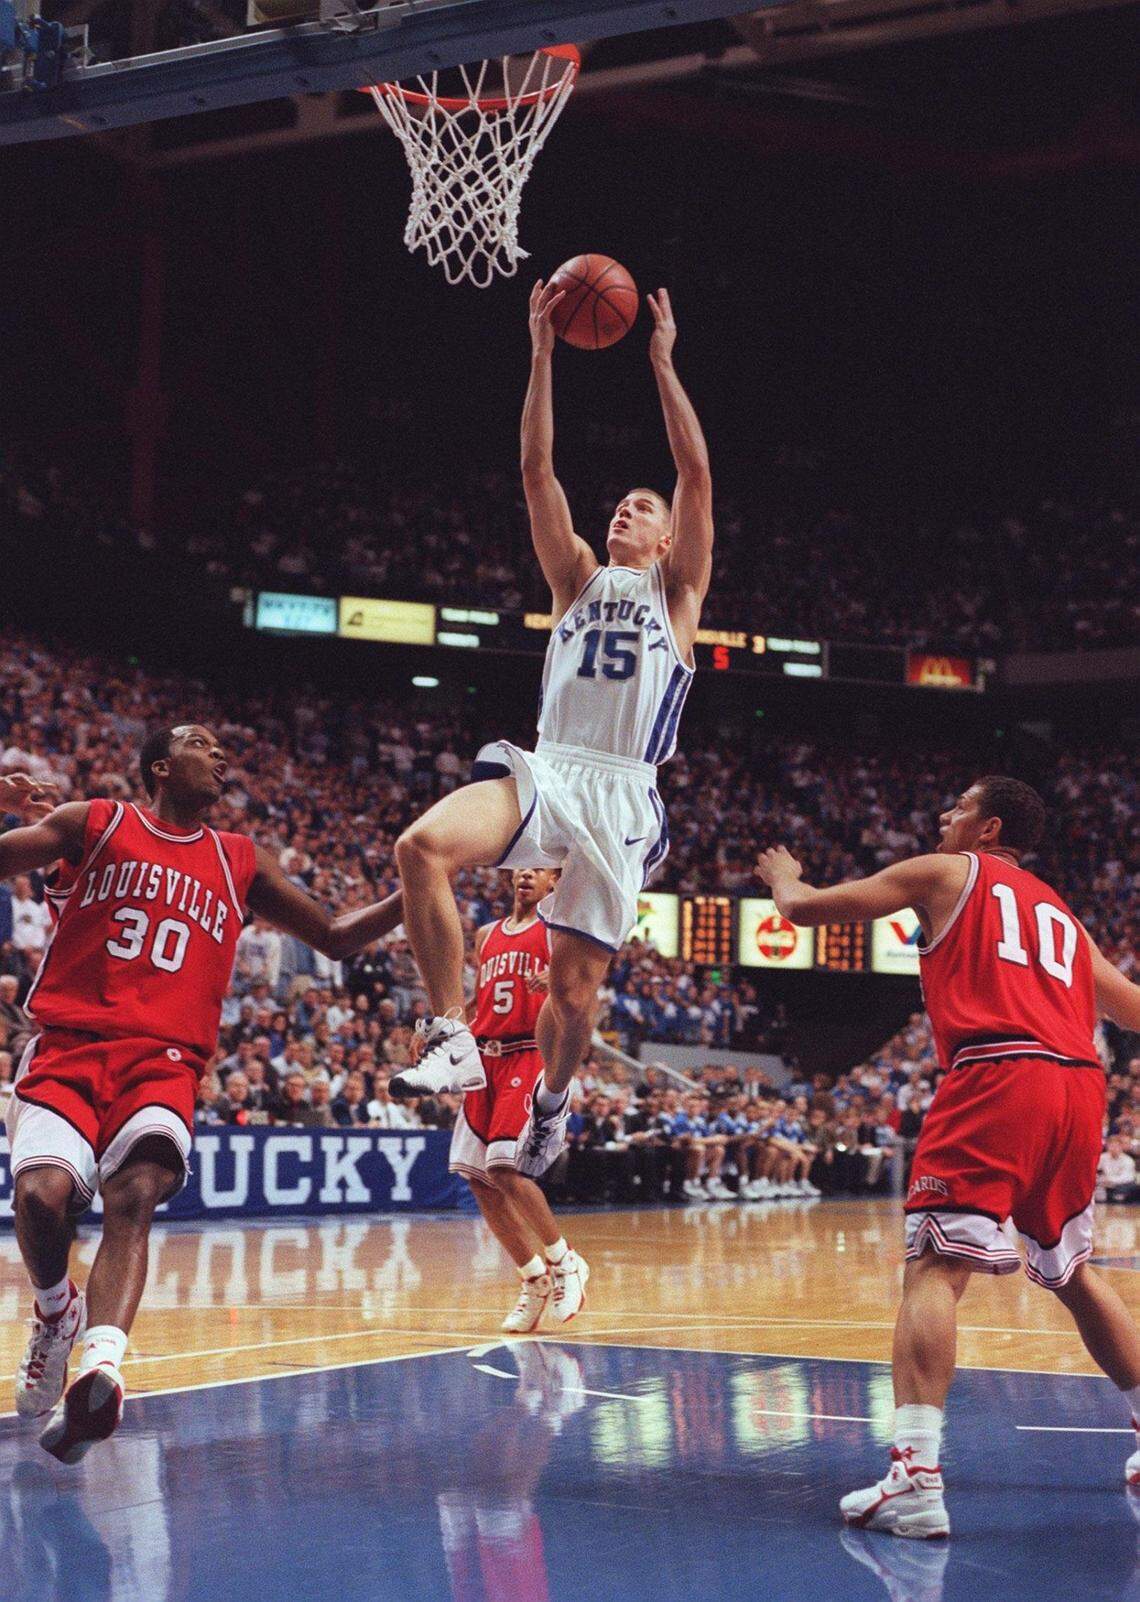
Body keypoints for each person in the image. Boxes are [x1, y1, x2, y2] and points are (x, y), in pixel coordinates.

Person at [0, 728, 404, 1463]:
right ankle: (56, 1314)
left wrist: (420, 885)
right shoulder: (94, 821)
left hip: (164, 1060)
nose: (218, 756)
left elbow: (339, 937)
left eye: (221, 748)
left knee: (137, 1193)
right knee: (40, 1198)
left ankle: (100, 1365)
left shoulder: (241, 859)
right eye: (199, 743)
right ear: (159, 765)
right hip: (71, 1044)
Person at [756, 774, 1140, 1538]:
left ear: (990, 828)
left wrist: (783, 875)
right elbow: (1131, 1007)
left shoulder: (944, 872)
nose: (943, 816)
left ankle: (915, 1475)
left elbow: (802, 912)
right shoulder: (1063, 914)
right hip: (1078, 1090)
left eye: (959, 807)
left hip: (999, 1072)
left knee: (934, 1268)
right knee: (1071, 1271)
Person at [391, 282, 714, 1186]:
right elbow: (537, 473)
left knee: (572, 998)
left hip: (623, 791)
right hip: (550, 767)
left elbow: (697, 476)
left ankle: (552, 1104)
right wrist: (540, 353)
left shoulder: (677, 593)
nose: (627, 511)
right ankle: (450, 1035)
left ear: (666, 536)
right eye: (621, 504)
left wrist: (660, 359)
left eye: (642, 508)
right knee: (421, 845)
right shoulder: (574, 578)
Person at [439, 867, 588, 1332]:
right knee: (479, 1181)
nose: (525, 873)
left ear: (553, 883)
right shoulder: (486, 935)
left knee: (505, 1168)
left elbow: (589, 981)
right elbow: (476, 999)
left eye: (538, 869)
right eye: (520, 867)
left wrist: (559, 983)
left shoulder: (559, 933)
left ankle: (566, 1262)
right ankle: (533, 1278)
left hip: (528, 1053)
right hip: (485, 1058)